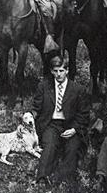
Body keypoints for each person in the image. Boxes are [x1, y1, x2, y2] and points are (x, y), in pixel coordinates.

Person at [33, 55, 91, 184]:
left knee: (72, 148)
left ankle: (64, 180)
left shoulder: (78, 89)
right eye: (55, 71)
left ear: (67, 70)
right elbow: (36, 108)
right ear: (51, 71)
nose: (58, 74)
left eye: (61, 71)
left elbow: (84, 114)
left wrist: (75, 129)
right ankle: (42, 178)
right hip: (51, 124)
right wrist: (27, 120)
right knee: (50, 145)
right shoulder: (44, 86)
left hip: (71, 124)